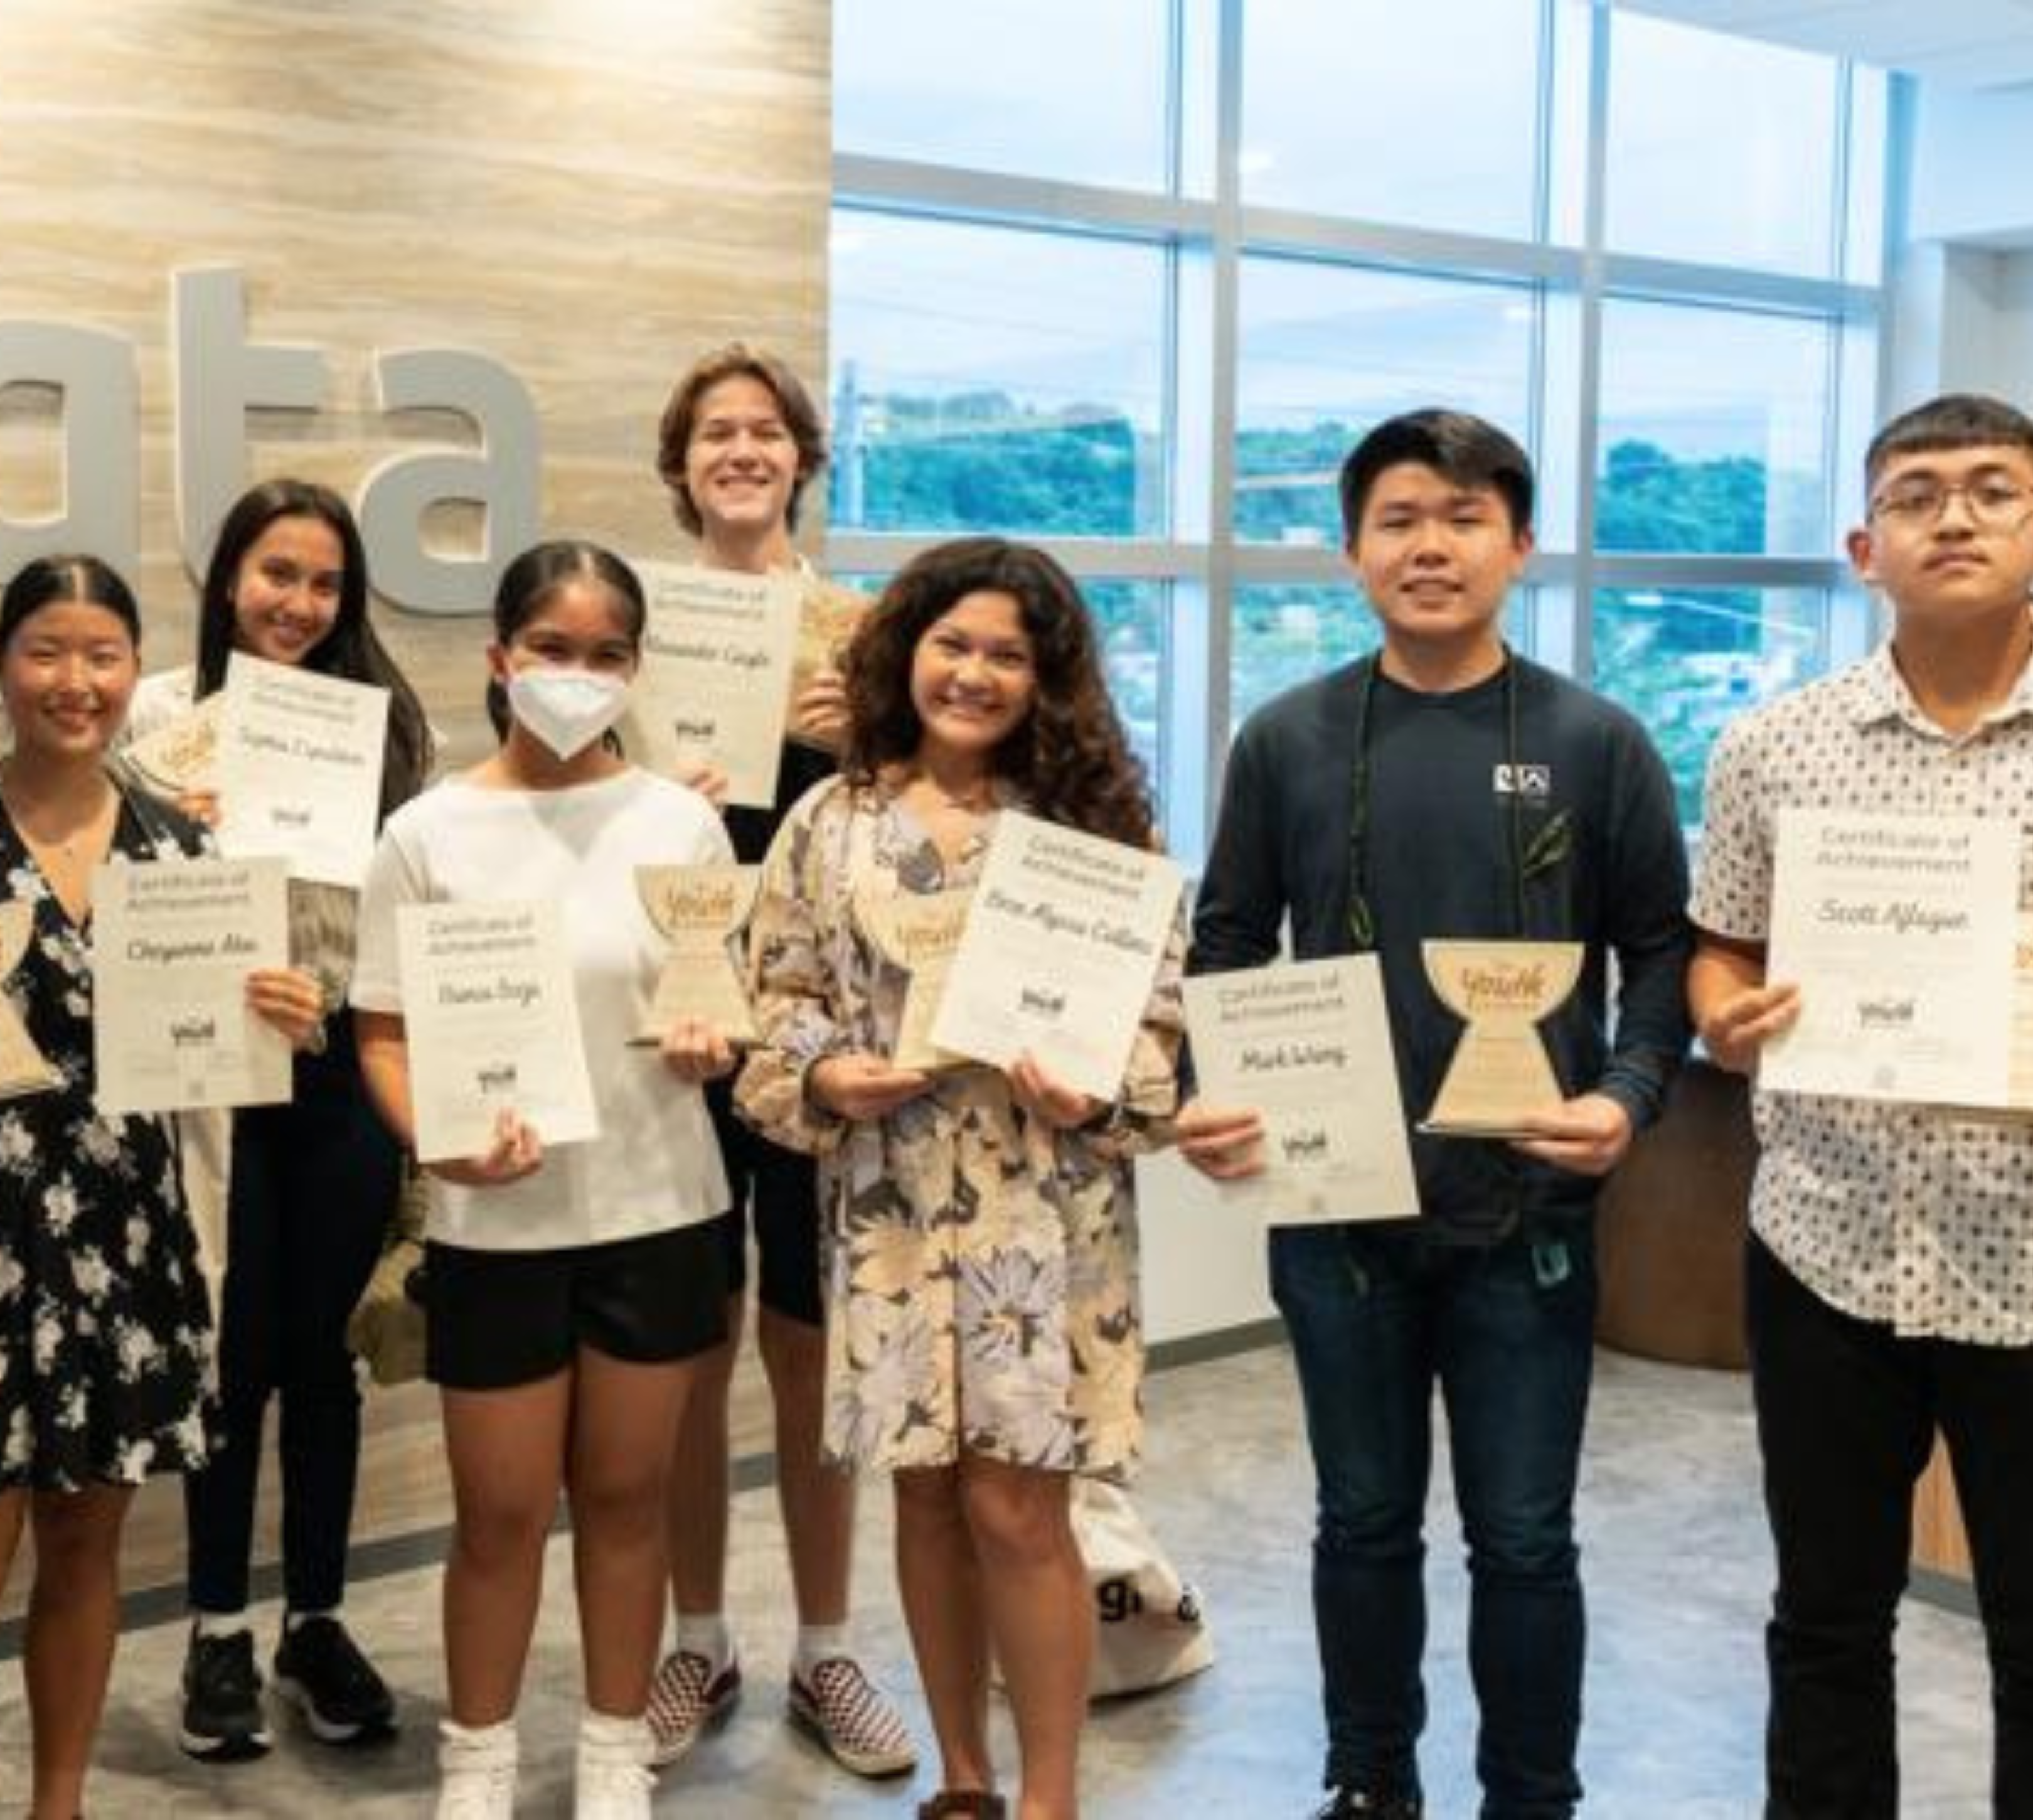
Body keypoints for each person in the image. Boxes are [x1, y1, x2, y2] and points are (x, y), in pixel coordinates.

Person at [1177, 409, 1691, 1820]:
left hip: (1531, 1216)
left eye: (1465, 517)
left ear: (1519, 547)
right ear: (1351, 549)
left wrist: (1630, 1097)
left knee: (1526, 1538)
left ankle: (1533, 1793)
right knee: (1363, 1521)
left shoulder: (1596, 741)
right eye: (1399, 517)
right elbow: (1223, 945)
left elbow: (1660, 950)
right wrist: (1203, 1094)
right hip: (1338, 1214)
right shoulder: (1286, 739)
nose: (1430, 544)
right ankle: (1370, 1780)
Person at [0, 554, 324, 1820]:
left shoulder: (182, 844)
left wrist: (280, 1012)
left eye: (103, 654)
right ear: (4, 665)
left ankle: (61, 1804)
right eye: (47, 651)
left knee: (89, 1546)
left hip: (124, 1224)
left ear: (134, 673)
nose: (76, 681)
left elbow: (223, 1036)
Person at [734, 535, 1185, 1820]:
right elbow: (778, 995)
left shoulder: (1096, 832)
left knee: (1019, 1506)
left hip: (1045, 1209)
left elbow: (1160, 1031)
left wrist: (1091, 1085)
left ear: (1049, 679)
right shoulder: (832, 817)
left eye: (1008, 653)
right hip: (885, 1209)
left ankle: (1050, 1796)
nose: (975, 673)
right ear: (903, 651)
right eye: (953, 644)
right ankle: (966, 1782)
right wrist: (825, 1077)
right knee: (924, 1493)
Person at [352, 540, 739, 1820]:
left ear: (637, 670)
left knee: (628, 1501)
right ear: (501, 659)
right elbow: (385, 1031)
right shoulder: (426, 831)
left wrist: (712, 1037)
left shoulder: (681, 823)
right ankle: (480, 1757)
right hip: (495, 1221)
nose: (577, 676)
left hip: (658, 1208)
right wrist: (434, 1139)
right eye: (553, 650)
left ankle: (617, 1751)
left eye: (606, 654)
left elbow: (721, 999)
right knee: (500, 1514)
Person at [1686, 392, 2033, 1818]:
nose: (1954, 516)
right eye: (1917, 493)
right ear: (1862, 544)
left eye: (1995, 490)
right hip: (1828, 1243)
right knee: (1826, 1618)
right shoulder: (1775, 745)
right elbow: (1724, 943)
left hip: (2030, 1265)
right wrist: (1719, 1015)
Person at [123, 479, 433, 1762]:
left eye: (324, 583)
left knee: (324, 1358)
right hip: (212, 1076)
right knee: (226, 1359)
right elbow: (112, 906)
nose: (299, 604)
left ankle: (314, 1618)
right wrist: (177, 841)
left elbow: (414, 906)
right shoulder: (159, 719)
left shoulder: (392, 733)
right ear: (227, 580)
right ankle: (213, 1630)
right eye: (276, 575)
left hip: (342, 1072)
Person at [646, 344, 917, 1780]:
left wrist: (860, 740)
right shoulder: (629, 630)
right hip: (677, 1032)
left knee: (811, 1350)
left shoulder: (864, 632)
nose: (741, 452)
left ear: (803, 457)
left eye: (766, 432)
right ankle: (700, 1633)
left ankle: (826, 1645)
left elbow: (928, 820)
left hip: (820, 1038)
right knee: (688, 1351)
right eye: (715, 434)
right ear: (680, 463)